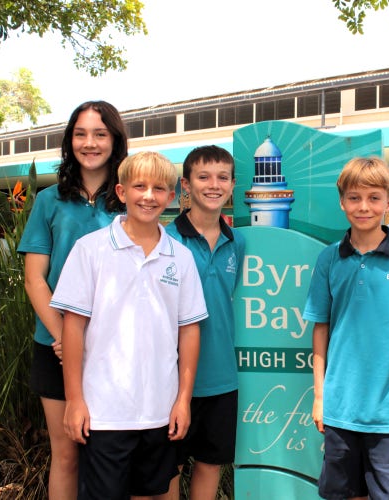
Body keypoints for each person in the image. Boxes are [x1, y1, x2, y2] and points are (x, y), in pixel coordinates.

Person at [50, 151, 207, 499]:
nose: (148, 196)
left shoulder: (180, 257)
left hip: (159, 412)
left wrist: (183, 400)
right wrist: (75, 400)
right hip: (105, 413)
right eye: (139, 186)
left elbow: (189, 330)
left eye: (158, 188)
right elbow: (72, 329)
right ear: (121, 192)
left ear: (171, 196)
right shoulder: (90, 250)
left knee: (150, 494)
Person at [303, 157, 389, 500]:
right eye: (354, 197)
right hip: (339, 408)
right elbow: (320, 330)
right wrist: (320, 397)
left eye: (374, 197)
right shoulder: (329, 258)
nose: (364, 207)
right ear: (342, 201)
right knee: (340, 493)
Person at [18, 100, 128, 499]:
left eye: (100, 134)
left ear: (114, 140)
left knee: (109, 456)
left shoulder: (129, 200)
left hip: (114, 350)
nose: (90, 142)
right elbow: (35, 279)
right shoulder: (49, 201)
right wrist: (64, 338)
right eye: (80, 134)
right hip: (55, 346)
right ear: (70, 141)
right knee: (65, 454)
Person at [158, 145, 245, 500]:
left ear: (233, 185)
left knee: (211, 465)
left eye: (222, 177)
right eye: (204, 177)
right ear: (186, 185)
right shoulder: (165, 240)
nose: (214, 185)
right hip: (170, 379)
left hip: (222, 377)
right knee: (169, 470)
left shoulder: (237, 241)